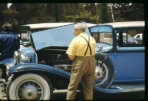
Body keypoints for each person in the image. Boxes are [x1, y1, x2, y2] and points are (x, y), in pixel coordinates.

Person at [66, 23, 96, 100]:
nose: (73, 32)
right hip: (92, 62)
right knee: (89, 88)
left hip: (80, 63)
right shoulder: (91, 38)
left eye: (74, 30)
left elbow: (71, 57)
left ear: (78, 30)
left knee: (72, 86)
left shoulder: (76, 39)